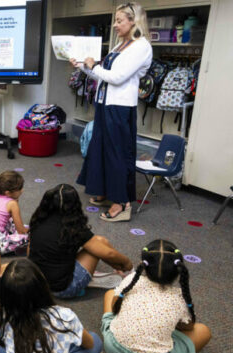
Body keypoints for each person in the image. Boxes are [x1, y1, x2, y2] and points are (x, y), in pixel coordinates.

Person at [75, 2, 153, 222]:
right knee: (100, 150)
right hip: (104, 104)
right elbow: (102, 77)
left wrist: (93, 65)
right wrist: (83, 66)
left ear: (133, 21)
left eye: (119, 20)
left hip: (120, 108)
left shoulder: (141, 46)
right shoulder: (120, 46)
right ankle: (107, 192)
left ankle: (121, 203)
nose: (115, 25)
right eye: (115, 20)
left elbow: (117, 77)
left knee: (118, 155)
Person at [101, 239, 211, 353]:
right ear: (177, 272)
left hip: (113, 349)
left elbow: (116, 308)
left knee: (110, 294)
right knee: (203, 331)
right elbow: (188, 327)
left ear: (145, 267)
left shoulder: (131, 280)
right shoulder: (179, 297)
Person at [0, 259, 103, 353]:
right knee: (95, 339)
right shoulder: (65, 317)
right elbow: (89, 344)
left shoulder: (8, 322)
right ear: (43, 286)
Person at [28, 184, 133, 299]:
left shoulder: (38, 219)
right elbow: (109, 254)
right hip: (64, 289)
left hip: (37, 282)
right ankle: (127, 272)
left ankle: (120, 271)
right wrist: (128, 262)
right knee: (97, 248)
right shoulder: (72, 227)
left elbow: (30, 251)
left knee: (99, 241)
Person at [0, 170, 29, 255]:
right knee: (27, 237)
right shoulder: (12, 204)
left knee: (13, 223)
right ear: (8, 193)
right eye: (20, 189)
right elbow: (21, 231)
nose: (22, 190)